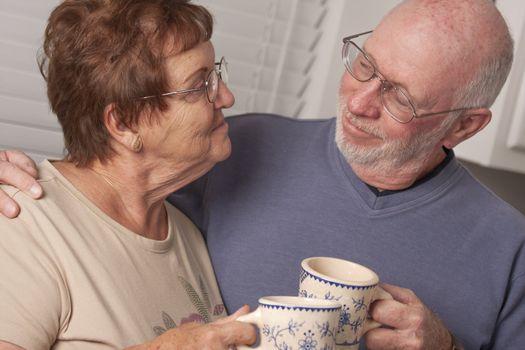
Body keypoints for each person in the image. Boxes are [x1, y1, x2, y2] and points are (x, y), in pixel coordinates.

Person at [2, 0, 525, 349]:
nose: (360, 101)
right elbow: (91, 190)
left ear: (465, 126)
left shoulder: (510, 249)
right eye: (364, 64)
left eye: (401, 97)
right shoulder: (234, 153)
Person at [0, 0, 257, 349]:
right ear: (123, 123)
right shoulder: (22, 225)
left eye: (216, 75)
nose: (226, 97)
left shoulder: (185, 233)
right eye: (200, 85)